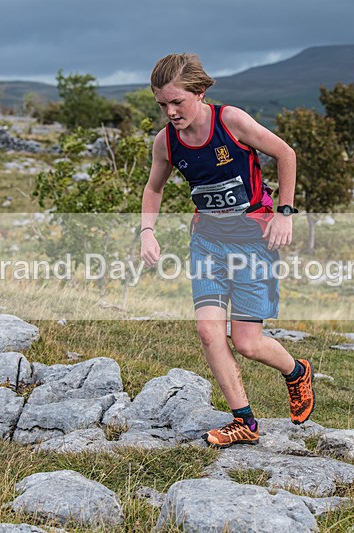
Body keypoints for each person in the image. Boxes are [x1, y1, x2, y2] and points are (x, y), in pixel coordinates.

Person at [139, 53, 314, 448]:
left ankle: (297, 372)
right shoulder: (165, 142)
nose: (170, 112)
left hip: (254, 238)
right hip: (208, 241)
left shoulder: (230, 121)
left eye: (177, 102)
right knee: (207, 331)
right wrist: (147, 232)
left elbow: (286, 154)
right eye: (162, 105)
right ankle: (244, 422)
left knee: (248, 343)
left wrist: (284, 213)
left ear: (199, 93)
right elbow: (154, 187)